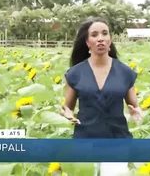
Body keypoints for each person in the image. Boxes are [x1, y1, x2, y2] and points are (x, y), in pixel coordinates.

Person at [60, 17, 144, 176]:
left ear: (110, 40)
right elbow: (67, 108)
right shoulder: (75, 73)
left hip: (117, 140)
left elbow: (134, 105)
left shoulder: (124, 72)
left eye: (104, 34)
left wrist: (136, 111)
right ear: (87, 42)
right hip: (84, 141)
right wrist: (67, 114)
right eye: (94, 35)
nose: (100, 38)